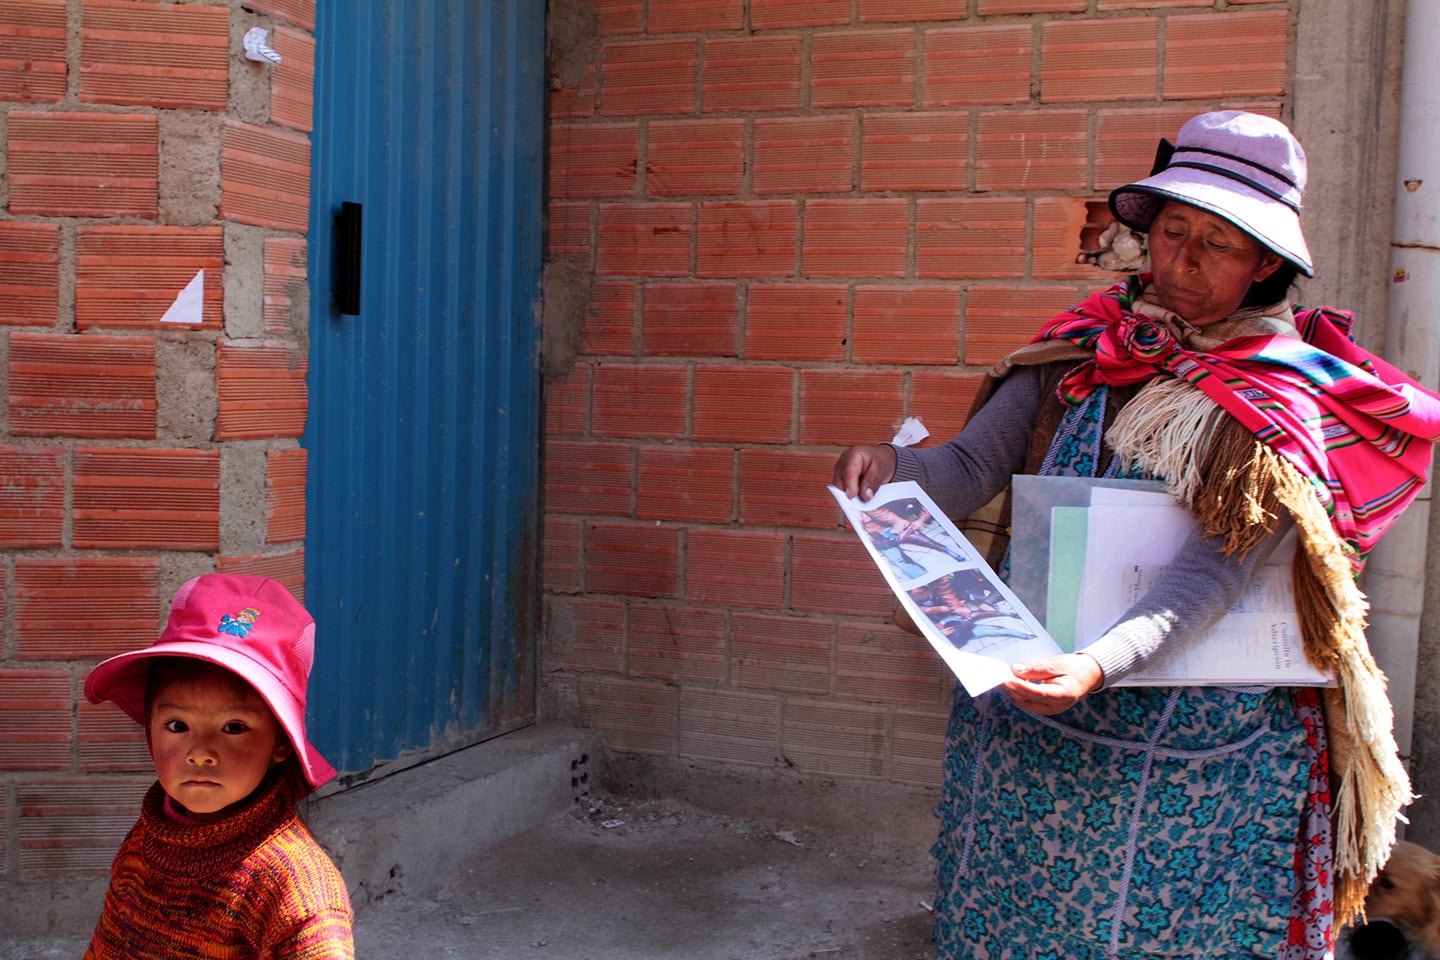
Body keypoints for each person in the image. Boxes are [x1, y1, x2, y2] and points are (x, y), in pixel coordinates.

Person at [832, 110, 1440, 959]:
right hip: (1034, 704)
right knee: (1018, 913)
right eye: (1172, 231)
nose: (1183, 260)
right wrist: (893, 470)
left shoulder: (1269, 402)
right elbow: (973, 465)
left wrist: (1094, 666)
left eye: (1219, 245)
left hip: (1192, 746)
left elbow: (1210, 579)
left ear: (1265, 264)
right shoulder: (1090, 349)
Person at [82, 573, 354, 960]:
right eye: (178, 726)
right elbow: (108, 947)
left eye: (233, 727)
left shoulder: (295, 886)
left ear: (280, 741)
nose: (201, 752)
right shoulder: (146, 842)